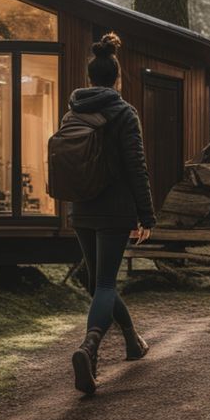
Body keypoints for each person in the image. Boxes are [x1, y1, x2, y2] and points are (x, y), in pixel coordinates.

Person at [66, 31, 156, 395]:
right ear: (117, 78)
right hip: (115, 210)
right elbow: (136, 165)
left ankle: (133, 342)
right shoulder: (124, 113)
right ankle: (89, 349)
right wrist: (146, 215)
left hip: (82, 209)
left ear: (90, 78)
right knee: (103, 283)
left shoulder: (71, 111)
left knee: (97, 282)